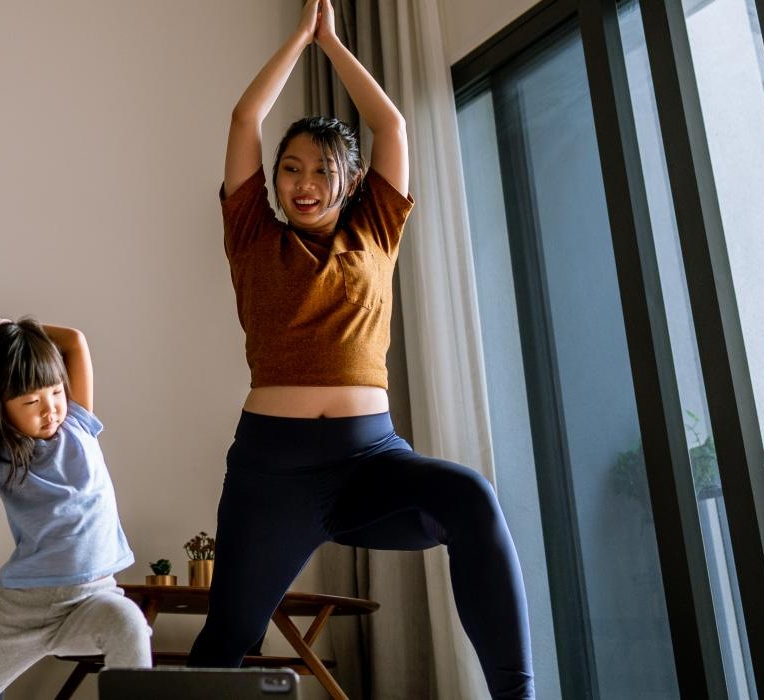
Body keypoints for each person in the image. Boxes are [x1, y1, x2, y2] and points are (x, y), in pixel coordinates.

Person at [186, 1, 533, 696]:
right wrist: (297, 42)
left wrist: (336, 45)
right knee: (226, 640)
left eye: (320, 171)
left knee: (469, 498)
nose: (304, 184)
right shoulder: (252, 232)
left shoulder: (376, 225)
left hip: (370, 460)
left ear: (349, 182)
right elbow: (243, 121)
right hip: (271, 473)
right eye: (290, 169)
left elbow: (391, 126)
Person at [0, 305, 151, 700]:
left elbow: (74, 341)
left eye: (55, 392)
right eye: (31, 403)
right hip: (26, 609)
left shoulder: (80, 424)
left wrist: (14, 329)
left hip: (94, 597)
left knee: (129, 625)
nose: (50, 409)